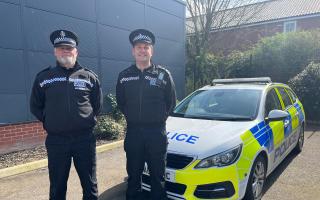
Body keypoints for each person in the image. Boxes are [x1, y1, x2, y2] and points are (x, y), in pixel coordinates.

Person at [30, 29, 102, 200]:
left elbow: (96, 106)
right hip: (57, 141)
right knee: (57, 186)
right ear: (55, 51)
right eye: (61, 48)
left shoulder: (89, 77)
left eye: (69, 48)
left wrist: (86, 120)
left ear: (76, 51)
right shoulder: (44, 77)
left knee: (90, 185)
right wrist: (51, 121)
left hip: (84, 140)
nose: (65, 51)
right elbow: (35, 106)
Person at [116, 29, 176, 200]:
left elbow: (171, 102)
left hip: (156, 133)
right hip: (134, 133)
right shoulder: (124, 76)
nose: (142, 50)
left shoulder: (164, 75)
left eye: (146, 47)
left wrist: (157, 119)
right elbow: (121, 102)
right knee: (134, 175)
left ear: (152, 51)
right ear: (133, 51)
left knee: (158, 176)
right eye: (139, 47)